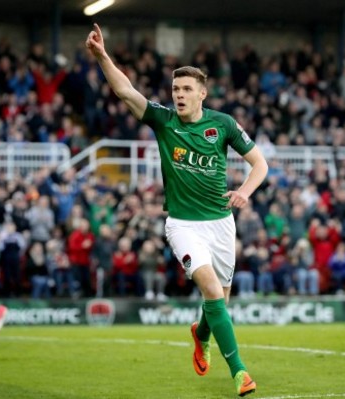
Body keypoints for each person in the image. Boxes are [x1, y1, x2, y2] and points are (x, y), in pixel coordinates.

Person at [86, 23, 268, 397]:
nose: (179, 95)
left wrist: (246, 192)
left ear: (202, 93)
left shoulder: (224, 124)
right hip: (183, 225)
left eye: (186, 89)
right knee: (213, 293)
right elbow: (125, 91)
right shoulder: (163, 121)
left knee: (220, 300)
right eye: (175, 89)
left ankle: (200, 336)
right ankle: (240, 372)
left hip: (221, 224)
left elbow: (260, 164)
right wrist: (103, 56)